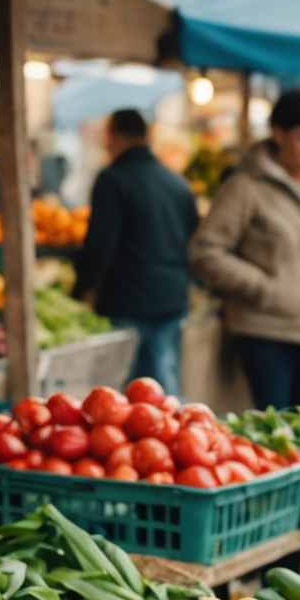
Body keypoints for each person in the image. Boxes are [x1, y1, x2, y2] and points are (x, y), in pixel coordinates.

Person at [191, 89, 300, 423]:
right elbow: (205, 252)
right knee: (274, 438)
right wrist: (263, 287)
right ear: (278, 133)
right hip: (264, 334)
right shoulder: (245, 187)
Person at [71, 109, 200, 396]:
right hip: (171, 298)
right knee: (163, 385)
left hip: (126, 299)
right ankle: (179, 436)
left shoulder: (113, 180)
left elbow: (100, 245)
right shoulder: (178, 183)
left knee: (127, 396)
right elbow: (195, 240)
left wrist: (79, 291)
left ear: (116, 134)